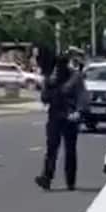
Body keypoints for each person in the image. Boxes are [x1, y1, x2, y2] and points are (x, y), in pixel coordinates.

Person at [36, 53, 86, 191]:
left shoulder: (75, 78)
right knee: (51, 148)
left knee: (70, 150)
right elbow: (44, 98)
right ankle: (46, 177)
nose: (59, 69)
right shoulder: (51, 79)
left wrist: (78, 112)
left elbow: (82, 96)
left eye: (61, 65)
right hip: (55, 116)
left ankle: (70, 181)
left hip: (70, 117)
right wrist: (48, 85)